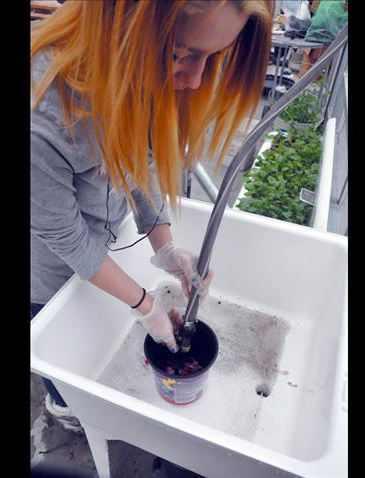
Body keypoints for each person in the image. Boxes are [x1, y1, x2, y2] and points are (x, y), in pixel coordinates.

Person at [31, 0, 274, 433]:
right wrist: (145, 305)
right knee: (58, 353)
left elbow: (137, 162)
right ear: (121, 23)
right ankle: (63, 406)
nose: (196, 79)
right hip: (41, 265)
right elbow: (64, 237)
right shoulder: (42, 107)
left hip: (92, 247)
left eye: (211, 57)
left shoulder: (133, 75)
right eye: (183, 54)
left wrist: (164, 246)